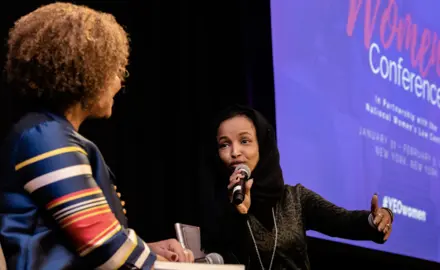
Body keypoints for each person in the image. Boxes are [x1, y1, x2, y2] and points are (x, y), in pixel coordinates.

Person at [0, 3, 193, 269]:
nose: (118, 82)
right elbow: (102, 246)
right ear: (85, 73)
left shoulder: (47, 132)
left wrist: (145, 248)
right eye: (113, 70)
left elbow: (84, 240)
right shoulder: (45, 136)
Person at [199, 104, 394, 270]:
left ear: (263, 146)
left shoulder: (295, 198)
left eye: (244, 141)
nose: (235, 152)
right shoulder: (214, 203)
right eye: (224, 145)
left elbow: (343, 221)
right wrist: (238, 212)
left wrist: (375, 220)